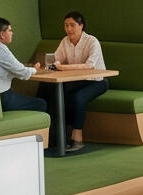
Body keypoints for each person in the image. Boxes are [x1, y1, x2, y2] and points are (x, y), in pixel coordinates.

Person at [46, 12, 111, 151]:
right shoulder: (65, 41)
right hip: (75, 81)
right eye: (66, 25)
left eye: (72, 25)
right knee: (52, 93)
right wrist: (50, 64)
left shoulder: (92, 41)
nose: (69, 29)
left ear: (81, 26)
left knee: (78, 97)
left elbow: (90, 65)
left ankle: (77, 139)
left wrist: (63, 67)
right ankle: (56, 137)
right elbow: (56, 59)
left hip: (97, 81)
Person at [0, 19, 46, 116]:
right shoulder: (0, 49)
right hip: (2, 97)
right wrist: (35, 69)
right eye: (10, 30)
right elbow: (21, 71)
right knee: (41, 103)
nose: (12, 33)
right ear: (2, 34)